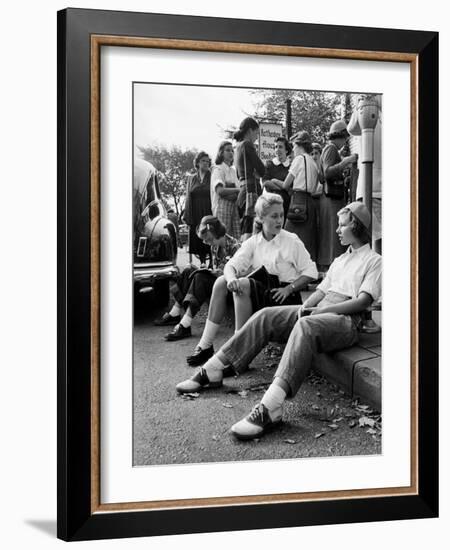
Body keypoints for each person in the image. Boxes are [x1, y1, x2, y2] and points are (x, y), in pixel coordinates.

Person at [176, 202, 381, 442]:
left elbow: (362, 302)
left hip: (346, 319)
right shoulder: (339, 260)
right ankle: (213, 368)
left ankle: (271, 406)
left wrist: (319, 312)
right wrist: (305, 308)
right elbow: (321, 291)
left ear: (356, 226)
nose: (337, 230)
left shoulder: (374, 260)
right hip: (323, 310)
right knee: (267, 315)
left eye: (342, 225)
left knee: (305, 325)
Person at [185, 193, 317, 366]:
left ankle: (237, 352)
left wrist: (290, 288)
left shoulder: (291, 241)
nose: (279, 220)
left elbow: (311, 272)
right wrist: (231, 278)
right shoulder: (253, 242)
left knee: (244, 284)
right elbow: (231, 266)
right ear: (261, 218)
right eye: (274, 216)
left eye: (281, 215)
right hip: (261, 293)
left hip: (283, 297)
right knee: (221, 281)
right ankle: (205, 345)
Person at [154, 216, 240, 340]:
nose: (207, 243)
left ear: (217, 232)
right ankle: (175, 312)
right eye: (205, 241)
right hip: (218, 282)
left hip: (229, 288)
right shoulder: (215, 246)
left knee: (200, 277)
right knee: (189, 270)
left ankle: (185, 324)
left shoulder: (235, 247)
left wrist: (217, 272)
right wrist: (210, 269)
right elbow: (217, 267)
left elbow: (238, 274)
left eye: (209, 239)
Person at [317, 120, 358, 272]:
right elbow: (327, 172)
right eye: (345, 137)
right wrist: (346, 161)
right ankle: (333, 267)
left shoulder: (331, 150)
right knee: (335, 233)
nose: (346, 141)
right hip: (331, 199)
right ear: (340, 135)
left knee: (333, 233)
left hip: (331, 198)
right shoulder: (331, 149)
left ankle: (331, 267)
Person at [283, 131, 321, 261]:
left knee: (286, 236)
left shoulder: (299, 159)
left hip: (298, 200)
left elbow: (286, 184)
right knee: (308, 239)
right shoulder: (313, 163)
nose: (293, 149)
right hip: (310, 201)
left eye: (294, 146)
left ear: (299, 145)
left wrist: (274, 182)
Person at [233, 117, 266, 240]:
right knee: (252, 229)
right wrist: (258, 173)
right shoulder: (247, 144)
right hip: (251, 190)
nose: (257, 137)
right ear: (250, 131)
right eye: (256, 133)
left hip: (242, 190)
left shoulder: (237, 147)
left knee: (245, 227)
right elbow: (262, 169)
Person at [183, 151, 212, 265]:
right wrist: (187, 215)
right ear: (198, 163)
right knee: (198, 235)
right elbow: (188, 196)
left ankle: (212, 261)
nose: (206, 163)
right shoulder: (192, 179)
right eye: (203, 161)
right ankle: (202, 262)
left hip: (208, 209)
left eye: (207, 161)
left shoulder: (212, 175)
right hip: (195, 211)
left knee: (210, 233)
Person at [210, 141, 241, 239]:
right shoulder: (218, 169)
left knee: (235, 237)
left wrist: (233, 190)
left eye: (232, 150)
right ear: (221, 153)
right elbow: (220, 191)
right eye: (227, 150)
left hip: (234, 206)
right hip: (221, 208)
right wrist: (236, 190)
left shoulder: (233, 170)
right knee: (223, 237)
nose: (231, 153)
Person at [261, 136, 292, 222]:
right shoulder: (269, 164)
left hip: (287, 205)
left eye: (280, 147)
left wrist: (274, 181)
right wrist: (284, 186)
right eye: (275, 147)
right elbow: (265, 182)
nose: (277, 149)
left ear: (286, 150)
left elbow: (292, 187)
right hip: (271, 204)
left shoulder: (291, 166)